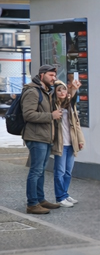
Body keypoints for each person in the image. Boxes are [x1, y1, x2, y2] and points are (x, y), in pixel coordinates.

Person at [21, 64, 63, 215]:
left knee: (41, 170)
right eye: (51, 75)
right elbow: (28, 115)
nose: (54, 78)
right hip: (36, 136)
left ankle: (40, 199)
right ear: (42, 75)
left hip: (45, 137)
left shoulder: (46, 92)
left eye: (54, 75)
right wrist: (51, 116)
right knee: (36, 171)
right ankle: (32, 204)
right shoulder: (33, 92)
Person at [51, 79, 85, 207]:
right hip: (60, 143)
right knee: (59, 171)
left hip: (71, 143)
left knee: (68, 171)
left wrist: (80, 141)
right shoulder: (53, 106)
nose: (62, 92)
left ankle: (65, 194)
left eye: (64, 89)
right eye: (58, 90)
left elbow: (76, 124)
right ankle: (60, 197)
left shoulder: (70, 106)